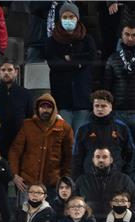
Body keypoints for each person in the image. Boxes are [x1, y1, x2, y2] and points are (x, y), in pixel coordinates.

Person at [9, 93, 74, 198]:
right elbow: (15, 151)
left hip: (53, 185)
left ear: (54, 109)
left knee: (51, 214)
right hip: (27, 183)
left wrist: (64, 180)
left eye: (49, 107)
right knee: (26, 213)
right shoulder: (27, 125)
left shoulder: (65, 129)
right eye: (42, 106)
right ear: (37, 108)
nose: (45, 110)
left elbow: (69, 157)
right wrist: (15, 175)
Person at [45, 2, 96, 131]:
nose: (68, 20)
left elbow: (92, 57)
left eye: (71, 17)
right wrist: (78, 64)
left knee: (81, 136)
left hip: (82, 97)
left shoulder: (87, 39)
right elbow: (54, 64)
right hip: (62, 98)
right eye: (65, 17)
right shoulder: (52, 41)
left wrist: (71, 59)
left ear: (77, 18)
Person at [71, 90, 135, 179]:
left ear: (110, 107)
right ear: (93, 107)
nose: (100, 109)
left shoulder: (121, 128)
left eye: (103, 106)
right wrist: (77, 180)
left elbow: (130, 154)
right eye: (97, 106)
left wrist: (126, 176)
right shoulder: (83, 129)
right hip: (90, 179)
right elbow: (77, 157)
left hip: (116, 178)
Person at [74, 146, 135, 218]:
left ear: (111, 160)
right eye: (97, 157)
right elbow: (72, 203)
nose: (101, 160)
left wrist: (126, 216)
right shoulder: (82, 180)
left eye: (104, 157)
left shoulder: (123, 179)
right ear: (93, 160)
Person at [0, 60, 33, 159]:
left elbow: (29, 117)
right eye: (3, 70)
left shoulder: (26, 94)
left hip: (19, 139)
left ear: (16, 72)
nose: (6, 73)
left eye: (9, 70)